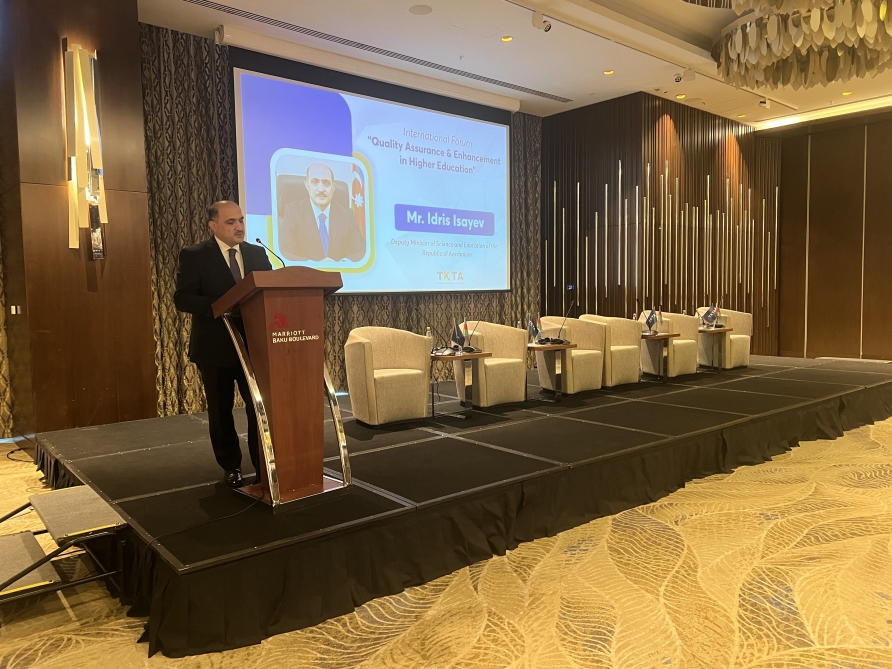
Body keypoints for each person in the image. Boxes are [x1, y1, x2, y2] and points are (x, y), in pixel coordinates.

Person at [174, 200, 273, 487]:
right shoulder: (195, 255)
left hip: (253, 346)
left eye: (241, 220)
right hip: (215, 347)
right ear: (213, 226)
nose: (239, 226)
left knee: (259, 409)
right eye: (231, 222)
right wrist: (221, 305)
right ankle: (231, 466)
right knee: (221, 411)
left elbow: (268, 292)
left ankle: (263, 465)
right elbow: (183, 298)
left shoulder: (257, 253)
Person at [278, 162, 365, 262]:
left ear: (333, 188)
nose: (321, 189)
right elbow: (285, 252)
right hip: (305, 271)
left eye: (326, 183)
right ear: (307, 185)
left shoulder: (346, 215)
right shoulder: (293, 211)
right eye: (315, 182)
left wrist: (342, 263)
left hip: (339, 271)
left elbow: (361, 251)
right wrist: (314, 265)